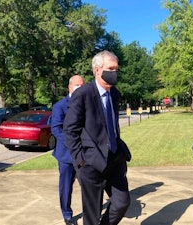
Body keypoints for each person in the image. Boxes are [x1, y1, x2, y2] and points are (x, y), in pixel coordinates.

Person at [63, 50, 131, 225]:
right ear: (97, 70)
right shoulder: (83, 94)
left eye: (116, 69)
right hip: (91, 163)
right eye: (111, 68)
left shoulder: (114, 94)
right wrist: (80, 161)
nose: (114, 73)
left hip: (114, 160)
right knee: (92, 215)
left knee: (122, 202)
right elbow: (70, 130)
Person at [51, 75, 85, 225]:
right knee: (66, 187)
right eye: (77, 85)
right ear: (69, 87)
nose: (80, 88)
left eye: (82, 85)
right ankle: (67, 215)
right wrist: (73, 144)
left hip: (85, 154)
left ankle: (91, 212)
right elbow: (56, 128)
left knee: (88, 185)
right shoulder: (60, 106)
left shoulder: (87, 104)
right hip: (66, 155)